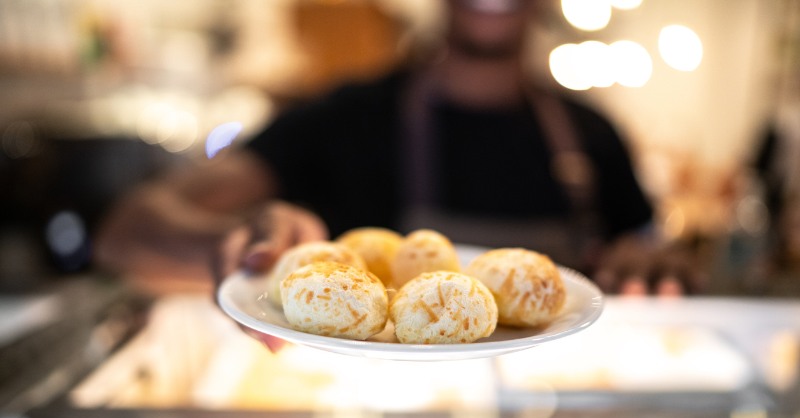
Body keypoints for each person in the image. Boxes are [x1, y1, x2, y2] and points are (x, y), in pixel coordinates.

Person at [95, 0, 695, 305]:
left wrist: (652, 268)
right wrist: (237, 249)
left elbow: (649, 256)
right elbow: (124, 229)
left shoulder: (594, 137)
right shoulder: (341, 119)